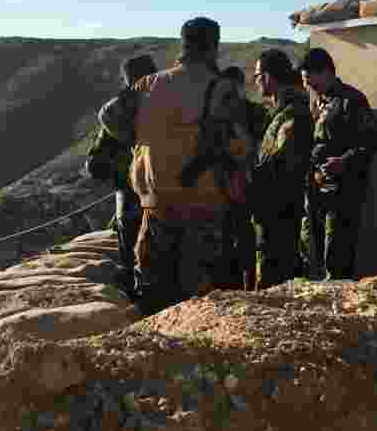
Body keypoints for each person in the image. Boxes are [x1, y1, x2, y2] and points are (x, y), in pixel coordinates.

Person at [98, 17, 251, 314]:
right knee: (201, 304)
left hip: (156, 208)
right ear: (213, 47)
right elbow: (240, 146)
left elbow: (107, 115)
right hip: (203, 208)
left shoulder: (147, 84)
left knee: (153, 297)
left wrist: (138, 141)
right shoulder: (220, 89)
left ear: (183, 44)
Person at [299, 47, 377, 281]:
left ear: (326, 72)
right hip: (318, 189)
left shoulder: (351, 100)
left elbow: (374, 139)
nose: (309, 87)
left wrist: (344, 161)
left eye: (311, 81)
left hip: (343, 193)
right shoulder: (318, 101)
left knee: (336, 253)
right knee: (313, 247)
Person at [88, 54, 158, 294]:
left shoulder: (118, 112)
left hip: (132, 197)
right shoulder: (173, 103)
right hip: (177, 191)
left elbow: (95, 164)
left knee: (131, 254)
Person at [250, 49, 312, 289]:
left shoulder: (293, 113)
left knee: (273, 282)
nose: (255, 82)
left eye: (257, 76)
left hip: (280, 212)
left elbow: (280, 165)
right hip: (275, 209)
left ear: (268, 77)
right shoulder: (283, 112)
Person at [219, 65, 271, 289]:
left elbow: (266, 149)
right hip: (224, 188)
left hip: (249, 185)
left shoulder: (255, 113)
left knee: (248, 242)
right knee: (229, 244)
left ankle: (249, 287)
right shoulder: (217, 117)